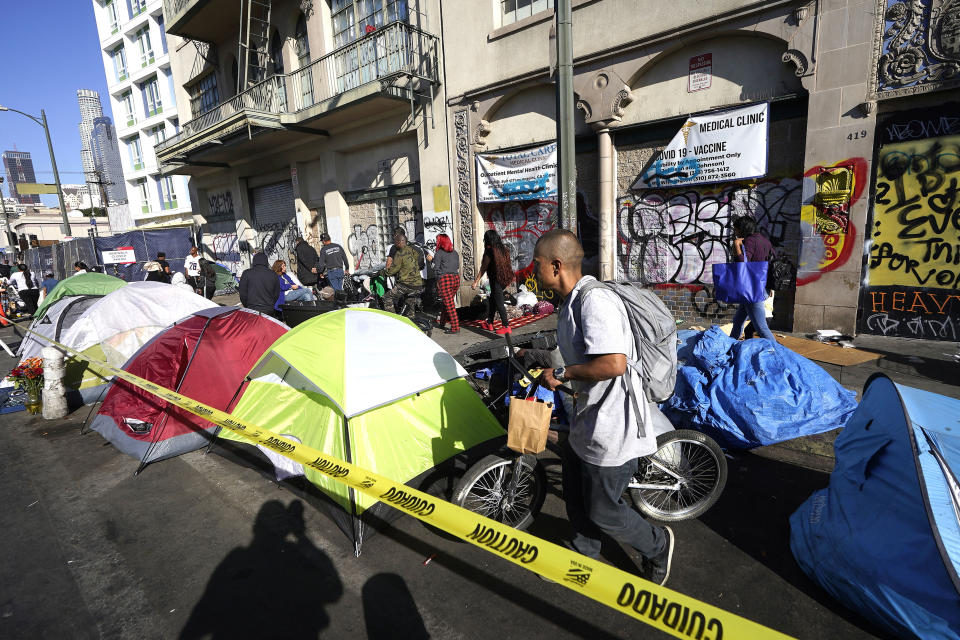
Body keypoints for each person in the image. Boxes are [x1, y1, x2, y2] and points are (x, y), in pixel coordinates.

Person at [535, 229, 675, 587]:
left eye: (536, 264)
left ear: (555, 265)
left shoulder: (595, 301)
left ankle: (657, 545)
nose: (531, 271)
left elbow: (614, 363)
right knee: (576, 491)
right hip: (589, 417)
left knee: (603, 510)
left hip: (616, 426)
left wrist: (562, 373)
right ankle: (585, 554)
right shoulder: (571, 301)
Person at [728, 216, 776, 342]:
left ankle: (778, 353)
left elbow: (742, 264)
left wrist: (736, 245)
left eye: (736, 229)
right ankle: (730, 346)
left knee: (761, 328)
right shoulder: (765, 241)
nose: (736, 233)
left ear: (742, 229)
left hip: (752, 289)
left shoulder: (749, 241)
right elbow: (771, 264)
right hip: (759, 286)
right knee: (738, 321)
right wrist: (769, 286)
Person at [471, 229, 513, 333]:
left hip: (496, 281)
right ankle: (489, 322)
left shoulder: (489, 251)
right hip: (504, 279)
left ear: (487, 240)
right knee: (492, 301)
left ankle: (506, 326)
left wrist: (476, 281)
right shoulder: (504, 250)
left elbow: (483, 268)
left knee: (499, 303)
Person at [380, 231, 423, 318]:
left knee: (387, 298)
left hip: (406, 284)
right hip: (418, 284)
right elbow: (419, 263)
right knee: (409, 303)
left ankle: (394, 320)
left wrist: (381, 273)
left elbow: (392, 271)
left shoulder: (400, 254)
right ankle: (412, 321)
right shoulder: (413, 250)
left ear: (399, 242)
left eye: (395, 242)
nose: (394, 244)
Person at [432, 233, 461, 334]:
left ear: (440, 242)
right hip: (456, 278)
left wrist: (438, 282)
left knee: (449, 304)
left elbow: (436, 269)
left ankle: (455, 327)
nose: (436, 242)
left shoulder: (439, 253)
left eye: (437, 240)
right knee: (447, 302)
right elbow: (457, 266)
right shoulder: (455, 253)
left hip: (445, 279)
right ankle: (442, 322)